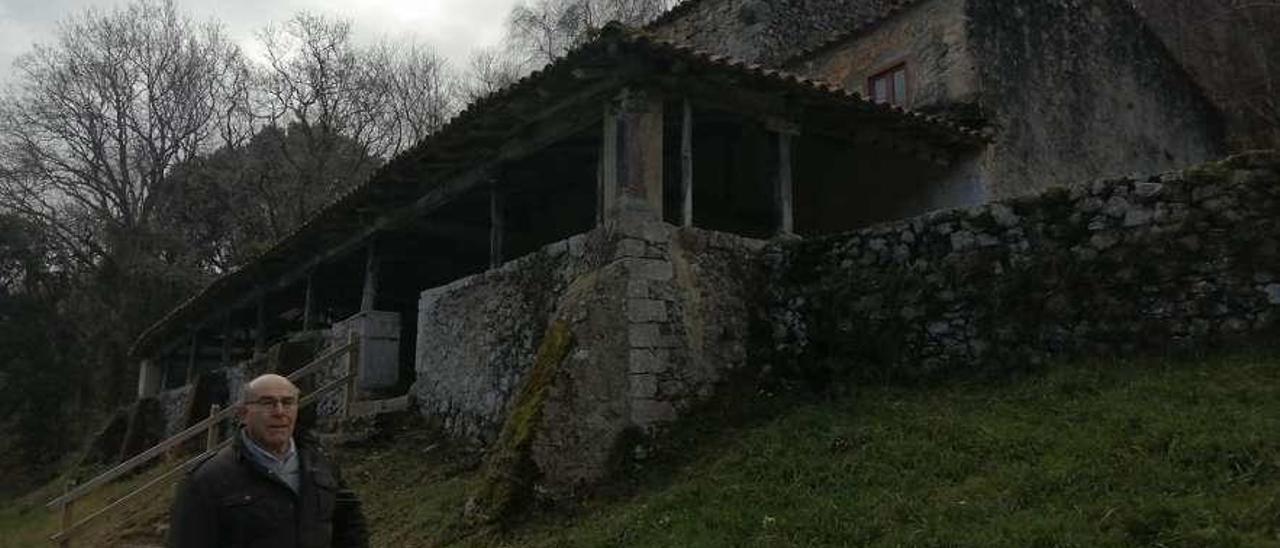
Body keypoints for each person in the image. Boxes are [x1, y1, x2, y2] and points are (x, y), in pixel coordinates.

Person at [167, 374, 368, 548]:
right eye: (267, 403)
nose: (279, 412)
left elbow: (350, 526)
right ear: (243, 414)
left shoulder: (320, 464)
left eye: (288, 402)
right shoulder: (206, 480)